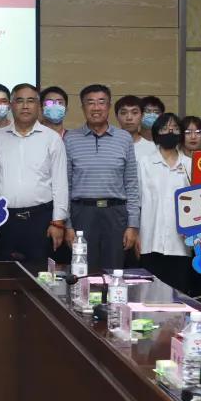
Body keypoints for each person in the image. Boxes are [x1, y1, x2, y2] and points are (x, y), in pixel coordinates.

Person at [63, 84, 140, 272]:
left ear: (109, 106)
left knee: (114, 271)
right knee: (83, 271)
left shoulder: (124, 138)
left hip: (115, 214)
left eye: (101, 102)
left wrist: (133, 225)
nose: (96, 108)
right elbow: (66, 185)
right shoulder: (70, 139)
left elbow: (131, 185)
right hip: (82, 213)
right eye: (90, 103)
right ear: (83, 107)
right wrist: (68, 225)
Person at [0, 83, 69, 263]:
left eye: (31, 101)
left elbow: (60, 183)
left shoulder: (52, 139)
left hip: (40, 220)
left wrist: (58, 222)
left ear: (38, 106)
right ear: (11, 105)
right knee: (2, 272)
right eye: (20, 101)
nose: (25, 106)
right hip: (4, 220)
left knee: (39, 273)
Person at [135, 112, 193, 290]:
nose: (170, 132)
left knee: (178, 295)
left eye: (175, 128)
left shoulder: (190, 164)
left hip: (181, 243)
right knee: (149, 294)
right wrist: (135, 232)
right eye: (165, 128)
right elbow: (136, 201)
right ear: (156, 133)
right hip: (150, 240)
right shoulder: (144, 163)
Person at [116, 94, 156, 164]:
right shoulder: (109, 146)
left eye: (134, 113)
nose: (129, 118)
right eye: (123, 113)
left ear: (142, 116)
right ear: (117, 116)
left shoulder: (153, 148)